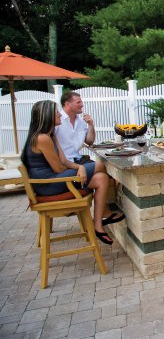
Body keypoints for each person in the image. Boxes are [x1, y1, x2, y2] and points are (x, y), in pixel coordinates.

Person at [21, 100, 124, 245]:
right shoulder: (42, 138)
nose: (59, 114)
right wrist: (79, 168)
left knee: (101, 178)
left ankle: (98, 224)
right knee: (100, 166)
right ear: (48, 116)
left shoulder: (50, 135)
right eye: (56, 112)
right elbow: (58, 169)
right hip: (49, 185)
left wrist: (79, 167)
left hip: (55, 179)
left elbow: (63, 161)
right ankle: (106, 211)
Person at [54, 92, 96, 164]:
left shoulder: (81, 121)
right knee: (100, 167)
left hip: (77, 159)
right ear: (67, 104)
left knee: (101, 174)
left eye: (81, 102)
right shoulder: (57, 121)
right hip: (63, 162)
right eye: (78, 102)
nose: (82, 105)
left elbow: (89, 142)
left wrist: (90, 125)